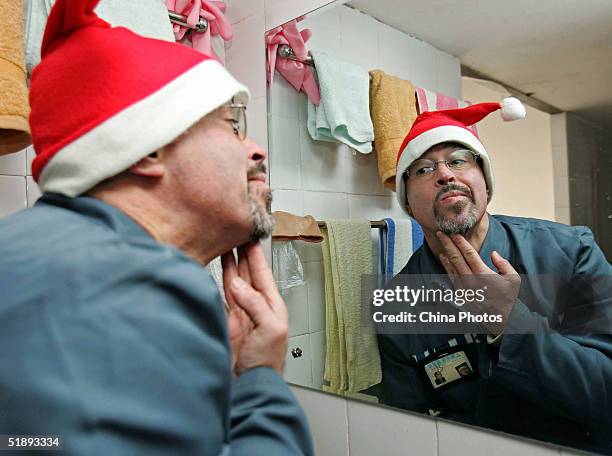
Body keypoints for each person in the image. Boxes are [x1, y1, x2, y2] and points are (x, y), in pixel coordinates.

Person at [0, 0, 313, 454]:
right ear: (147, 150)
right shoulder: (132, 282)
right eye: (232, 126)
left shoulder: (35, 253)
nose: (257, 150)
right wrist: (259, 376)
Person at [376, 99, 612, 454]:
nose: (445, 174)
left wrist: (509, 321)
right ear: (407, 201)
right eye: (423, 169)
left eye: (459, 160)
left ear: (485, 182)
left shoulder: (569, 251)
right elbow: (410, 430)